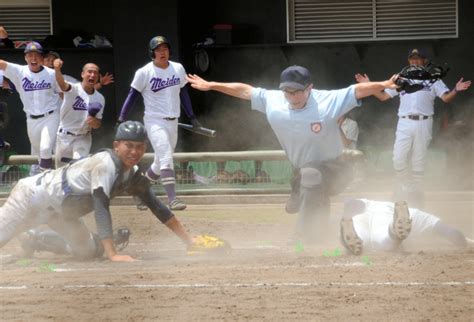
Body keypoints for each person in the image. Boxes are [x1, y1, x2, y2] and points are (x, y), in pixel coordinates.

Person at [186, 65, 399, 244]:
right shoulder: (275, 100)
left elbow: (359, 90)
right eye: (287, 91)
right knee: (310, 185)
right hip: (301, 170)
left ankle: (301, 236)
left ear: (310, 88)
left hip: (336, 168)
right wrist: (212, 85)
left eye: (297, 91)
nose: (292, 96)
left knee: (312, 175)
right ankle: (319, 232)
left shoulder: (328, 100)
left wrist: (385, 85)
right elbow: (244, 90)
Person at [0, 121, 194, 262]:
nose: (134, 152)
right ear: (116, 146)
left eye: (140, 147)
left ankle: (35, 239)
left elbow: (157, 207)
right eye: (129, 145)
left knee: (88, 252)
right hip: (32, 197)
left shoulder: (132, 173)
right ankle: (103, 244)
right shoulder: (105, 164)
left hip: (61, 213)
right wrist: (113, 254)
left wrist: (189, 241)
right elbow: (101, 208)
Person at [355, 48, 471, 208]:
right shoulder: (401, 80)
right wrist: (369, 85)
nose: (415, 61)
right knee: (398, 157)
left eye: (418, 59)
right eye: (412, 59)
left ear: (424, 61)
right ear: (408, 61)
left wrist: (456, 89)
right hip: (404, 122)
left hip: (424, 121)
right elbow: (382, 96)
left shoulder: (433, 79)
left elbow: (446, 98)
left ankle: (416, 190)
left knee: (419, 158)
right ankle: (404, 185)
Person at [118, 35, 203, 211]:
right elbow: (132, 95)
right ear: (152, 53)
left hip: (173, 120)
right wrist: (121, 117)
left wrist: (192, 117)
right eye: (158, 49)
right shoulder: (144, 72)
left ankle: (137, 189)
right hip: (154, 121)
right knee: (165, 157)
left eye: (164, 49)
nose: (162, 52)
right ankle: (173, 199)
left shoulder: (177, 68)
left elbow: (183, 93)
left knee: (159, 162)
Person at [0, 41, 61, 172]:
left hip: (50, 116)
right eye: (30, 55)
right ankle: (42, 180)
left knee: (45, 148)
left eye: (37, 55)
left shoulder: (52, 74)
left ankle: (46, 180)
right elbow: (1, 64)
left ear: (42, 58)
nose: (33, 58)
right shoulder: (19, 71)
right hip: (31, 120)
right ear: (25, 57)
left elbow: (64, 93)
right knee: (38, 156)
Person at [340, 198, 473, 255]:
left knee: (359, 234)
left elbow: (351, 203)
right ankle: (393, 230)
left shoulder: (374, 203)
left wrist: (348, 213)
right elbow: (450, 232)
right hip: (384, 221)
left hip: (361, 213)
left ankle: (350, 240)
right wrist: (466, 242)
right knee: (385, 239)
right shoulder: (415, 213)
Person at [53, 58, 105, 168]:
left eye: (95, 73)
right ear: (82, 74)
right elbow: (62, 85)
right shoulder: (74, 89)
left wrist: (94, 121)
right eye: (89, 72)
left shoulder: (100, 98)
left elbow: (98, 124)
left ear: (98, 77)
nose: (92, 75)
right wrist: (57, 69)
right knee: (61, 171)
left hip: (83, 137)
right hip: (64, 136)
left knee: (79, 167)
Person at [43, 50, 115, 90]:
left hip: (59, 115)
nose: (51, 63)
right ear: (41, 61)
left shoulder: (66, 78)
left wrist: (100, 84)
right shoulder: (33, 77)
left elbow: (84, 90)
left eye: (53, 60)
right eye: (48, 60)